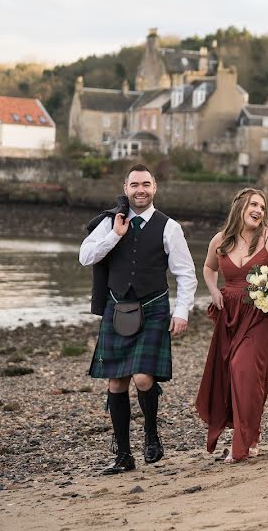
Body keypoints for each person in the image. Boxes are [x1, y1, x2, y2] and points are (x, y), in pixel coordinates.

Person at [80, 164, 197, 475]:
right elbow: (85, 256)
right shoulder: (110, 223)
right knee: (116, 382)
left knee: (144, 378)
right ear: (126, 187)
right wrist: (114, 237)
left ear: (154, 187)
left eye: (146, 184)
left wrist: (182, 311)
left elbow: (186, 274)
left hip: (154, 307)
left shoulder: (169, 227)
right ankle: (123, 455)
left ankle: (151, 434)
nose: (140, 190)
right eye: (134, 185)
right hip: (117, 308)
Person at [195, 188, 268, 463]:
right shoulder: (220, 240)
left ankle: (243, 444)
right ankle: (253, 435)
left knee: (243, 369)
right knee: (234, 375)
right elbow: (209, 268)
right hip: (230, 315)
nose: (258, 210)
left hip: (262, 318)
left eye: (262, 206)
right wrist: (213, 289)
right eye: (253, 205)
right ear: (239, 208)